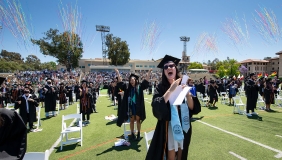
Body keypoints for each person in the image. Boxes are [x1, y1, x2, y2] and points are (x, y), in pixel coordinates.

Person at [146, 55, 194, 160]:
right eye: (166, 67)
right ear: (163, 71)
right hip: (168, 126)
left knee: (182, 151)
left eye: (171, 65)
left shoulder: (183, 84)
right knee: (171, 154)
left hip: (183, 124)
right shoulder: (160, 87)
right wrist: (171, 89)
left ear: (175, 69)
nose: (169, 68)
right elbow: (156, 105)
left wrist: (188, 94)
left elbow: (192, 108)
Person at [117, 69, 151, 141]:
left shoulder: (140, 87)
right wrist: (117, 73)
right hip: (131, 107)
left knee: (138, 120)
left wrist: (149, 72)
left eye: (132, 80)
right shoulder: (127, 88)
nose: (131, 81)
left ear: (135, 80)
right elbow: (120, 83)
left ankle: (138, 133)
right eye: (130, 80)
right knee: (131, 121)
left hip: (138, 107)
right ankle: (132, 134)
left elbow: (146, 81)